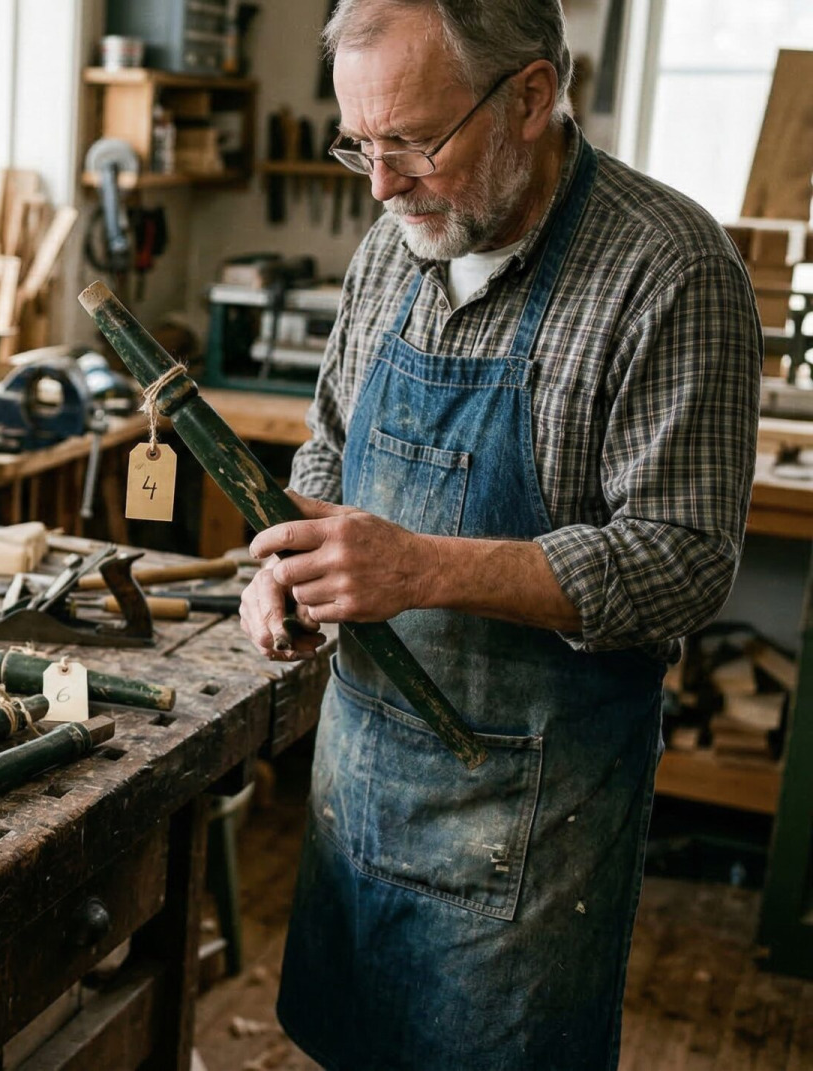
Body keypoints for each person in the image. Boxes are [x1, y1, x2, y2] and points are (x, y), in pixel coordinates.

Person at [236, 1, 763, 1067]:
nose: (381, 187)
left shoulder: (669, 267)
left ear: (531, 96)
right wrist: (286, 571)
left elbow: (683, 559)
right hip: (361, 789)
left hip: (529, 831)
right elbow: (327, 452)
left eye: (412, 143)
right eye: (359, 146)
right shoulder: (393, 245)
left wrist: (423, 568)